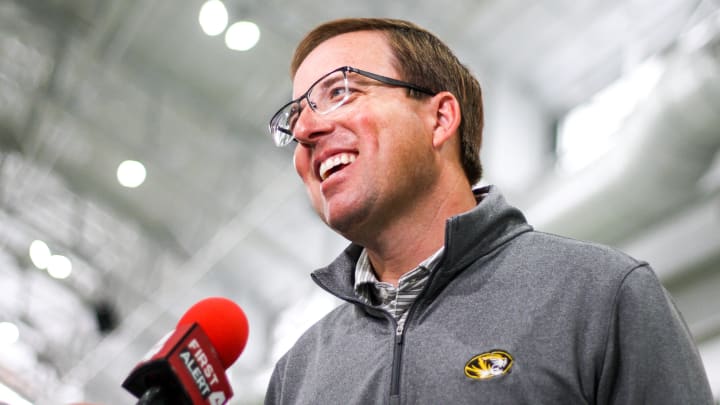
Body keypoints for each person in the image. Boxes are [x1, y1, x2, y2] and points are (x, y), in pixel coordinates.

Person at [264, 18, 714, 404]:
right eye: (294, 117)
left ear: (439, 119)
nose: (304, 129)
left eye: (341, 90)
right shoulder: (298, 372)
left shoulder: (602, 295)